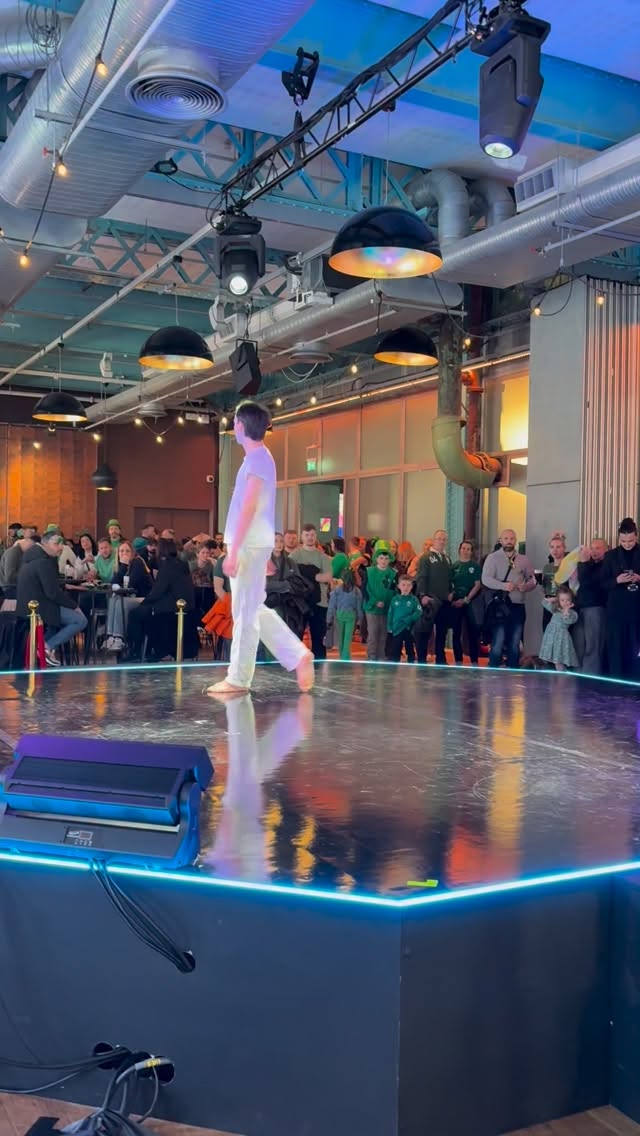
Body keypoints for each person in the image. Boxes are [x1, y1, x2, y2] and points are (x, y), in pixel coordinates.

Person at [207, 400, 314, 696]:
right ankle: (296, 654)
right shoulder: (258, 459)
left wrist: (236, 548)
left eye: (235, 423)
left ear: (240, 426)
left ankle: (239, 678)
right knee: (252, 609)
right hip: (254, 545)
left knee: (245, 613)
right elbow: (259, 508)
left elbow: (250, 507)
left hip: (248, 545)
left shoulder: (257, 461)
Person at [16, 528, 87, 666]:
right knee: (80, 620)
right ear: (45, 544)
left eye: (62, 543)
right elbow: (52, 593)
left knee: (56, 625)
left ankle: (43, 648)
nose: (61, 547)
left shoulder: (30, 558)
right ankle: (47, 647)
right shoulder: (44, 562)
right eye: (57, 543)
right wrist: (74, 605)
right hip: (40, 607)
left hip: (27, 605)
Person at [482, 529, 536, 669]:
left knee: (515, 642)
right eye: (506, 538)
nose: (509, 541)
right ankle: (493, 671)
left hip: (518, 605)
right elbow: (485, 579)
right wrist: (504, 585)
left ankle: (513, 673)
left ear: (515, 540)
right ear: (501, 540)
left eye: (512, 538)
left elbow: (533, 580)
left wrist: (526, 587)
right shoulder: (492, 558)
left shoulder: (524, 559)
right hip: (500, 606)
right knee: (498, 641)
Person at [601, 517, 640, 680]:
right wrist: (616, 580)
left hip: (636, 610)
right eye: (623, 541)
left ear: (636, 536)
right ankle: (615, 682)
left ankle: (635, 683)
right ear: (618, 538)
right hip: (616, 611)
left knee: (634, 648)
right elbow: (602, 583)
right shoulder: (610, 556)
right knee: (615, 648)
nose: (627, 544)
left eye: (630, 540)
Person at [289, 524, 333, 660]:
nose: (310, 538)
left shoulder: (323, 557)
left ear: (316, 536)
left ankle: (319, 666)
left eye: (312, 535)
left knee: (318, 637)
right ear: (302, 537)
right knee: (296, 635)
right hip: (299, 602)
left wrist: (306, 575)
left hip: (319, 603)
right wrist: (314, 575)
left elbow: (327, 577)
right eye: (307, 535)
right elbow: (290, 575)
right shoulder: (294, 555)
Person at [415, 530, 453, 665]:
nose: (441, 541)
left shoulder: (447, 558)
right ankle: (421, 658)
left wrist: (450, 592)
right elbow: (421, 577)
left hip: (444, 600)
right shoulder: (426, 557)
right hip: (430, 600)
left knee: (442, 631)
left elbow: (449, 578)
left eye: (444, 539)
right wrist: (422, 594)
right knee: (425, 631)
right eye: (439, 539)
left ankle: (441, 658)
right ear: (434, 540)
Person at [450, 540, 482, 665]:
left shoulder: (475, 566)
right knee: (456, 632)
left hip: (470, 603)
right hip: (456, 603)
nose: (466, 551)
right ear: (459, 550)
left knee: (472, 631)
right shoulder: (454, 566)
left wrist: (466, 599)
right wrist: (454, 597)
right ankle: (458, 659)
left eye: (468, 549)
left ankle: (474, 660)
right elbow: (449, 584)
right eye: (463, 548)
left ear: (471, 551)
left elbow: (477, 585)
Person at [363, 547, 396, 660]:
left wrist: (389, 604)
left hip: (386, 609)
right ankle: (371, 655)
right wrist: (375, 601)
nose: (383, 561)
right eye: (381, 558)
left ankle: (381, 656)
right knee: (372, 633)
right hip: (371, 609)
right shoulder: (369, 571)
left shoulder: (392, 573)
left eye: (386, 558)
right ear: (376, 559)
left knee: (383, 634)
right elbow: (366, 589)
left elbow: (393, 591)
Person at [539, 585, 579, 671]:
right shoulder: (556, 609)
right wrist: (554, 599)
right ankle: (559, 678)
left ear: (572, 600)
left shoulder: (572, 613)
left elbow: (568, 620)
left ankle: (563, 678)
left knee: (558, 661)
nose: (565, 602)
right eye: (562, 600)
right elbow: (544, 602)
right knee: (553, 661)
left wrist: (566, 610)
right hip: (551, 637)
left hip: (561, 639)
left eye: (568, 600)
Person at [326, 568, 362, 660]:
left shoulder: (337, 591)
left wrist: (328, 619)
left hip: (339, 615)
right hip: (351, 615)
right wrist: (359, 620)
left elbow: (331, 606)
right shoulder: (357, 591)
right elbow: (359, 607)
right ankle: (345, 658)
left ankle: (342, 656)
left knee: (340, 638)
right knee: (347, 638)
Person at [387, 575, 421, 662]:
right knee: (396, 648)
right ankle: (394, 666)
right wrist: (389, 626)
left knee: (410, 647)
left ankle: (411, 663)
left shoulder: (413, 600)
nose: (406, 587)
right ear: (399, 586)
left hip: (408, 628)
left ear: (412, 587)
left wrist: (409, 619)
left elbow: (419, 611)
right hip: (397, 627)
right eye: (403, 585)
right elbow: (390, 613)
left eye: (408, 585)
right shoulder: (395, 599)